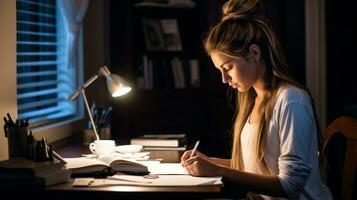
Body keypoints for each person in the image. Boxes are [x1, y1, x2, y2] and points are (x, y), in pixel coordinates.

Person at [180, 0, 332, 199]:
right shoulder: (254, 99)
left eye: (227, 68)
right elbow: (255, 168)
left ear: (254, 53)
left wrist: (219, 171)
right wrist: (210, 162)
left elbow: (290, 185)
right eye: (220, 71)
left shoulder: (291, 100)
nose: (224, 80)